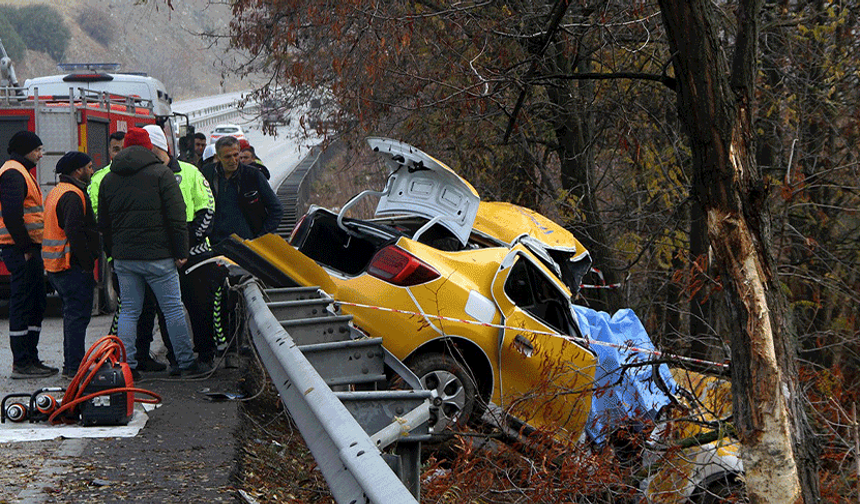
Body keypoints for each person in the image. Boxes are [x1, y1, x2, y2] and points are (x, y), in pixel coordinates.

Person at [98, 127, 208, 378]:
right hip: (159, 257)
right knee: (172, 309)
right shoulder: (161, 174)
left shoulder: (109, 179)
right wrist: (181, 251)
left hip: (125, 258)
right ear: (149, 147)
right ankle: (184, 363)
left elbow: (103, 224)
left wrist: (113, 253)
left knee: (128, 311)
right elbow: (177, 216)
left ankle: (127, 365)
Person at [139, 124, 218, 367]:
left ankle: (205, 355)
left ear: (157, 148)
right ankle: (175, 358)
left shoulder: (191, 172)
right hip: (162, 257)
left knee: (200, 308)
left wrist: (185, 246)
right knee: (166, 312)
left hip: (195, 255)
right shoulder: (142, 177)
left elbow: (208, 209)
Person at [0, 131, 58, 378]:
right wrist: (25, 249)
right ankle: (22, 363)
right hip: (20, 249)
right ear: (26, 150)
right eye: (38, 150)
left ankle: (30, 358)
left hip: (27, 248)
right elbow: (12, 216)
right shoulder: (13, 173)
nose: (40, 154)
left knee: (36, 302)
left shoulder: (19, 171)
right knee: (23, 304)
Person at [42, 152, 99, 378]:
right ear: (78, 171)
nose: (92, 170)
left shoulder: (57, 191)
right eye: (89, 166)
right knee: (77, 318)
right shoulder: (73, 195)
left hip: (57, 265)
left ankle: (72, 365)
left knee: (72, 316)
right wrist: (87, 263)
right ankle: (74, 367)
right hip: (71, 266)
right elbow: (75, 231)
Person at [202, 135, 283, 245]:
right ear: (218, 157)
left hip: (248, 245)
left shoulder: (253, 175)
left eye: (236, 155)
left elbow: (276, 209)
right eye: (227, 157)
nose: (233, 160)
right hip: (217, 244)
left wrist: (261, 238)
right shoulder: (207, 174)